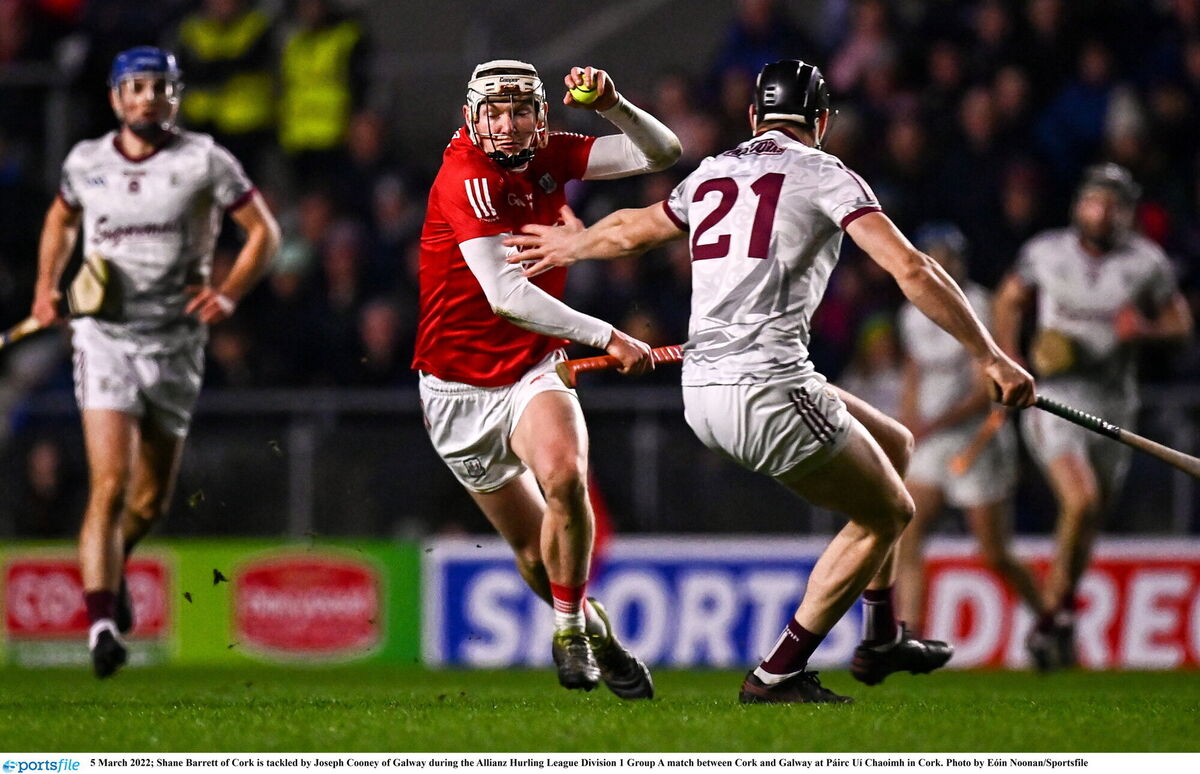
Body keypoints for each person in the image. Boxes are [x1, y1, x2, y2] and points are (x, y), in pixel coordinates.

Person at [505, 59, 1035, 703]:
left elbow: (633, 229)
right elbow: (913, 269)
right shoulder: (826, 173)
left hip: (702, 390)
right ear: (822, 120)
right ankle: (777, 673)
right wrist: (991, 356)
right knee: (892, 513)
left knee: (894, 444)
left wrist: (576, 243)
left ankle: (881, 634)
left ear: (755, 116)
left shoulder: (714, 170)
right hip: (768, 390)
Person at [411, 59, 681, 697]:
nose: (508, 124)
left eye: (520, 111)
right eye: (495, 113)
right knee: (535, 555)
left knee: (564, 475)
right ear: (472, 118)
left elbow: (662, 152)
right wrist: (609, 336)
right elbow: (506, 295)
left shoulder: (552, 151)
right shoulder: (466, 175)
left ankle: (568, 632)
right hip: (456, 389)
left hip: (534, 365)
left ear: (540, 114)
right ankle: (597, 633)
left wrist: (613, 104)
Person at [30, 46, 280, 678]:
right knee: (110, 485)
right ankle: (101, 628)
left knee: (148, 503)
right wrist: (45, 287)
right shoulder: (85, 162)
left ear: (176, 96)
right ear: (116, 98)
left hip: (176, 344)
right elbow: (60, 220)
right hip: (105, 339)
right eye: (136, 87)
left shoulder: (205, 160)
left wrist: (229, 293)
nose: (148, 97)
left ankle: (114, 567)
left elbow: (264, 233)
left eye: (159, 87)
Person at [993, 163, 1193, 671]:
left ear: (1128, 213)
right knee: (1079, 501)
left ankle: (1055, 616)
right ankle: (1050, 620)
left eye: (1114, 205)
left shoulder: (1146, 262)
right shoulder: (1045, 252)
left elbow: (1180, 323)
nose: (1102, 213)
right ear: (1079, 205)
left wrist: (1143, 329)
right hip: (1054, 397)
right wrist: (1008, 359)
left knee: (1088, 520)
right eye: (1094, 201)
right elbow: (1009, 300)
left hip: (1114, 400)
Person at [893, 223, 1043, 638]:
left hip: (977, 439)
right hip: (931, 441)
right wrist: (909, 421)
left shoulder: (979, 305)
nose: (941, 265)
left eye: (948, 258)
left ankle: (1049, 620)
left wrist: (931, 424)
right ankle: (911, 633)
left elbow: (985, 391)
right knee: (908, 534)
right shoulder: (911, 310)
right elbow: (914, 372)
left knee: (993, 552)